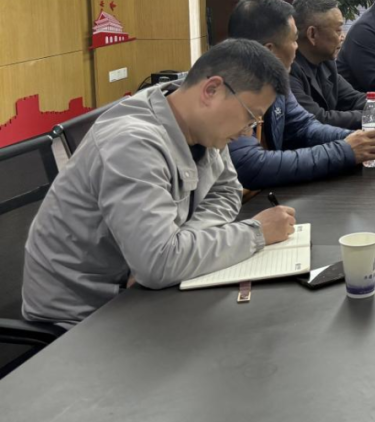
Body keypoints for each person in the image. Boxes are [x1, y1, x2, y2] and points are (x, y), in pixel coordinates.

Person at [22, 40, 299, 327]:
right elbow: (157, 264)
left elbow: (226, 191)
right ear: (211, 90)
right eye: (250, 117)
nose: (248, 132)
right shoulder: (132, 142)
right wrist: (255, 233)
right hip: (82, 315)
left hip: (141, 292)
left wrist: (183, 241)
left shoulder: (200, 125)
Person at [227, 0, 375, 188]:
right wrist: (345, 150)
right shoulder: (228, 91)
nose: (297, 47)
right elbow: (253, 165)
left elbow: (304, 127)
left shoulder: (274, 81)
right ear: (269, 51)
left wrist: (361, 139)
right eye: (294, 40)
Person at [290, 0, 375, 129]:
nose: (343, 36)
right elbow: (319, 119)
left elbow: (352, 98)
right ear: (312, 34)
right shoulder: (289, 70)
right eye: (338, 30)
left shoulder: (325, 61)